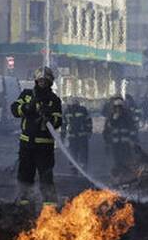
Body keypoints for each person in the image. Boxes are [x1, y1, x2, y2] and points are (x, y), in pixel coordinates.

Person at [10, 66, 63, 205]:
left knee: (46, 177)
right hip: (27, 144)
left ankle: (50, 206)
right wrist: (27, 107)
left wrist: (50, 118)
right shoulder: (27, 94)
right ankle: (24, 203)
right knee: (25, 175)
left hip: (44, 146)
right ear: (36, 81)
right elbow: (14, 109)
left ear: (50, 82)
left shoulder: (54, 100)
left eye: (45, 81)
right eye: (40, 81)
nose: (42, 83)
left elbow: (58, 121)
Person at [103, 96, 139, 177]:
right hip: (115, 144)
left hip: (125, 143)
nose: (118, 109)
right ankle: (119, 175)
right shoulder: (111, 117)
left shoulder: (127, 116)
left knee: (127, 159)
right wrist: (107, 143)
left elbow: (133, 129)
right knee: (117, 160)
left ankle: (127, 174)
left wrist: (133, 141)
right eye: (116, 107)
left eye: (120, 107)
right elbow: (106, 131)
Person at [61, 98, 93, 166]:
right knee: (73, 151)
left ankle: (83, 165)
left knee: (82, 151)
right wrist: (62, 136)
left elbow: (88, 121)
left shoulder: (82, 110)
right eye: (72, 106)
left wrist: (89, 131)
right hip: (72, 136)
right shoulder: (67, 112)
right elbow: (63, 125)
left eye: (74, 106)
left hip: (82, 135)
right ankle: (73, 166)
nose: (73, 107)